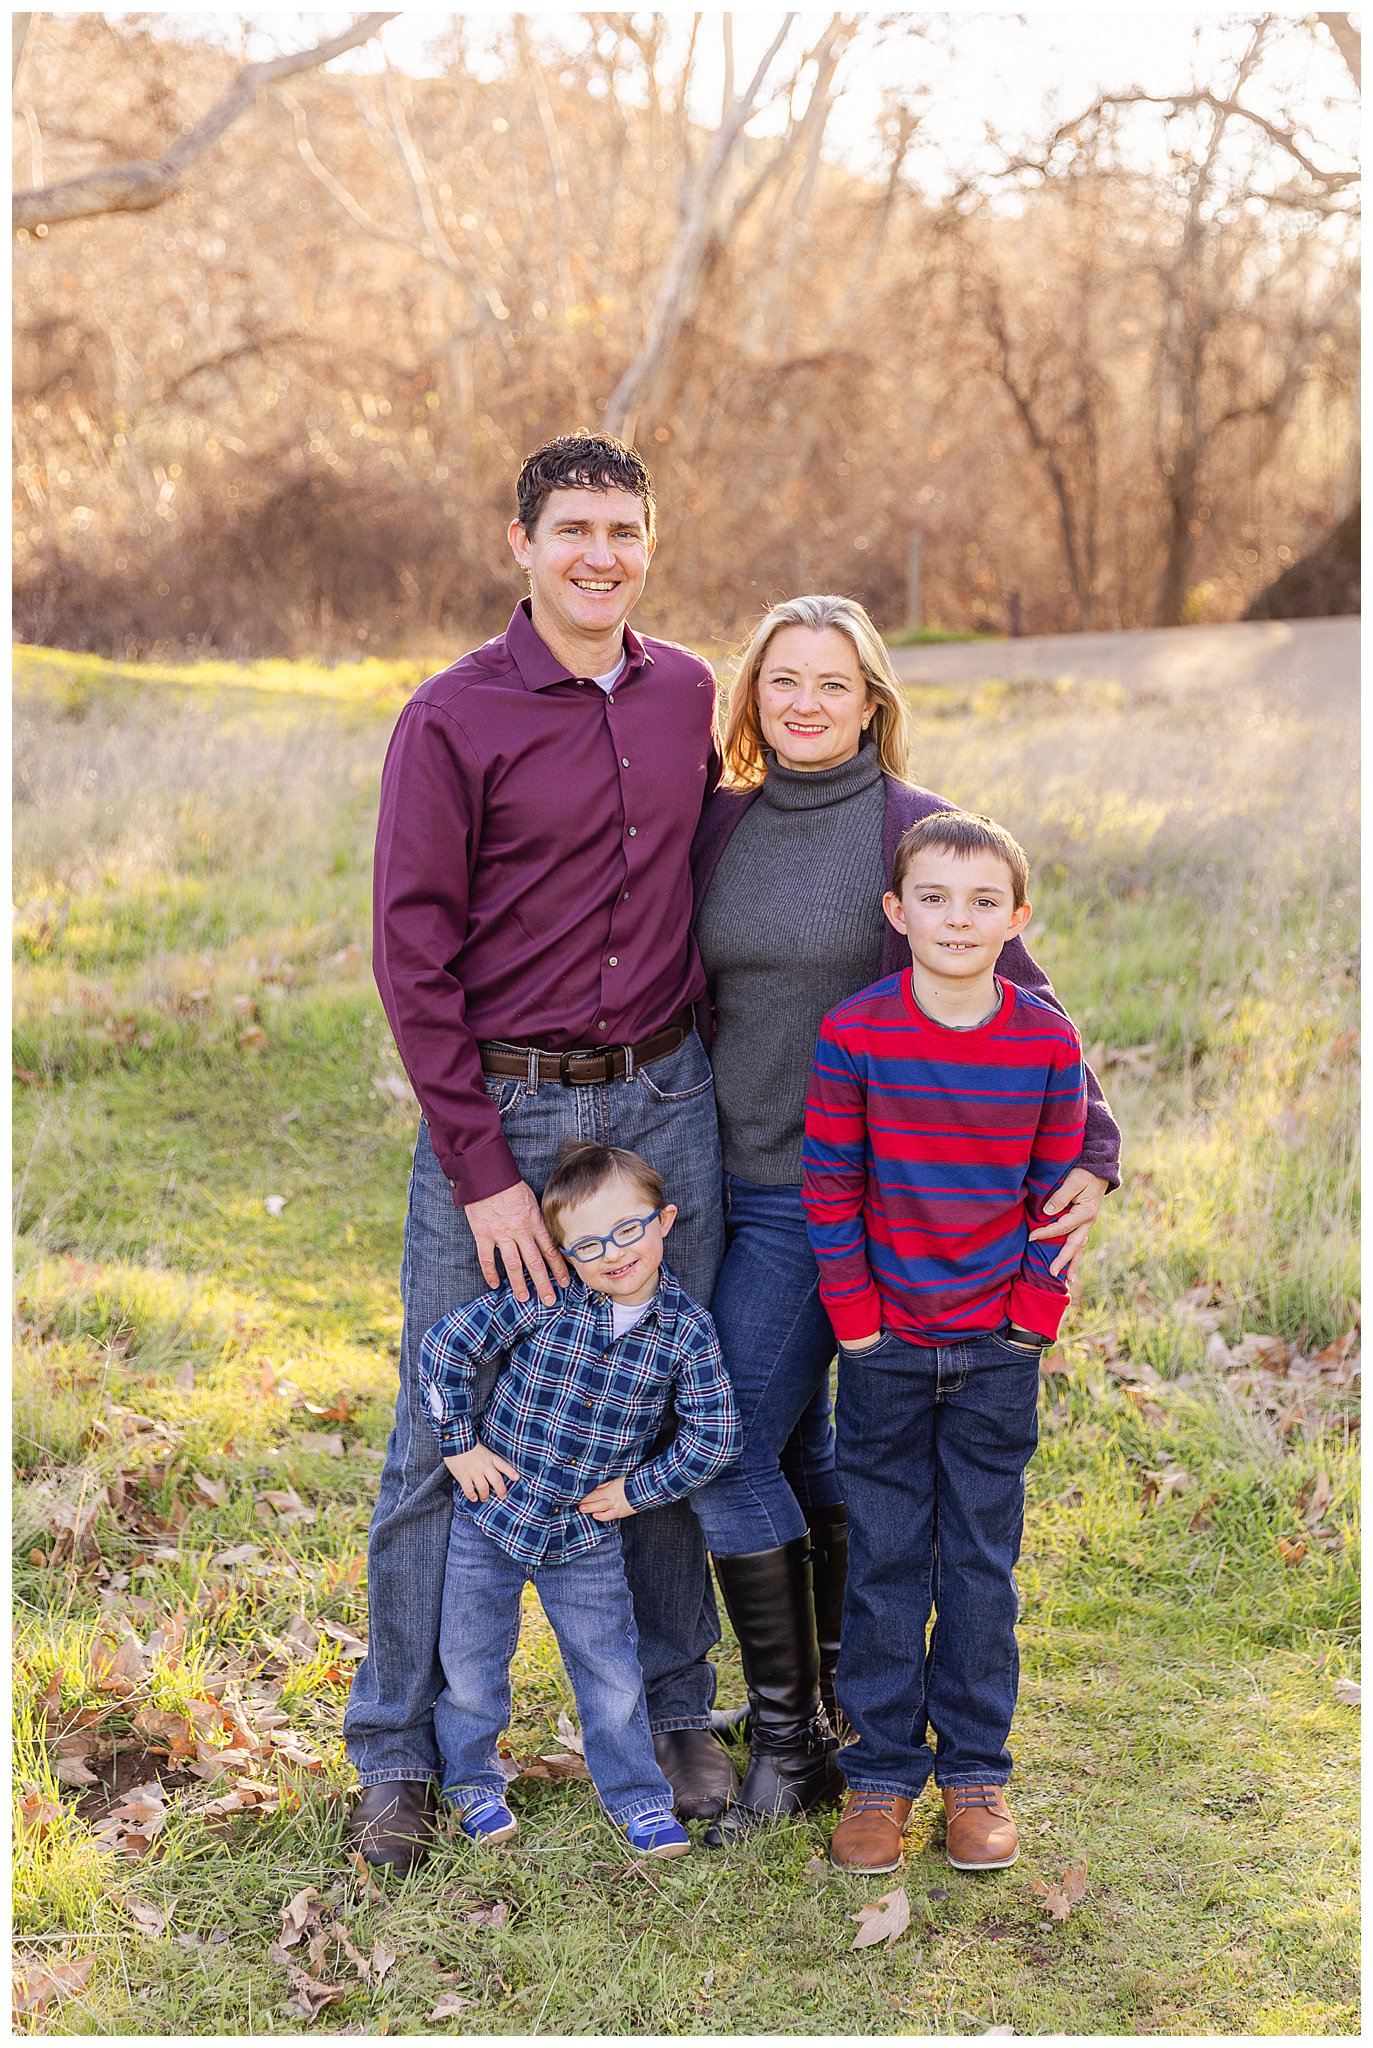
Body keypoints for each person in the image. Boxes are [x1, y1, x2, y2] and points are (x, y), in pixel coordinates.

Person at [347, 433, 737, 1872]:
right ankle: (398, 1749)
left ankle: (678, 1716)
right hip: (506, 1121)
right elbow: (411, 954)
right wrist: (481, 1172)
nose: (599, 555)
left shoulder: (692, 691)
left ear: (649, 544)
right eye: (571, 528)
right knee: (441, 1431)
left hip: (658, 1106)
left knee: (652, 1406)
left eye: (623, 531)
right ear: (519, 544)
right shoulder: (451, 719)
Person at [688, 594, 1120, 1847]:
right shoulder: (721, 824)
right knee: (812, 1463)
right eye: (783, 681)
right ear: (753, 697)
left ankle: (802, 1737)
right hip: (735, 1179)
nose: (806, 701)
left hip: (863, 1220)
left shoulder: (913, 834)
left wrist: (1092, 1151)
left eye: (834, 681)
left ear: (874, 696)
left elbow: (1025, 1009)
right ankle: (839, 1723)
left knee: (732, 1447)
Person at [804, 808, 1087, 1876]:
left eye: (981, 901)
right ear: (896, 910)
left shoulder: (1044, 1039)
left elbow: (1052, 1199)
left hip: (994, 1349)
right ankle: (879, 1776)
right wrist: (856, 1323)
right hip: (881, 1344)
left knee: (977, 1563)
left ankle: (975, 1772)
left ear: (1016, 917)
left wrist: (1028, 1323)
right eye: (932, 897)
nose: (955, 918)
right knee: (882, 1561)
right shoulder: (855, 1033)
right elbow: (829, 1190)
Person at [418, 1142, 739, 1861]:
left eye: (628, 1230)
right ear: (563, 1250)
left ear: (664, 1221)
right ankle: (471, 1781)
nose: (613, 1254)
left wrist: (637, 1489)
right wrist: (459, 1443)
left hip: (584, 1538)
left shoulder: (686, 1331)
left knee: (610, 1671)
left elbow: (715, 1435)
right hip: (491, 1518)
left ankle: (638, 1799)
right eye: (588, 1244)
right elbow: (444, 1347)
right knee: (470, 1665)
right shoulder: (547, 1296)